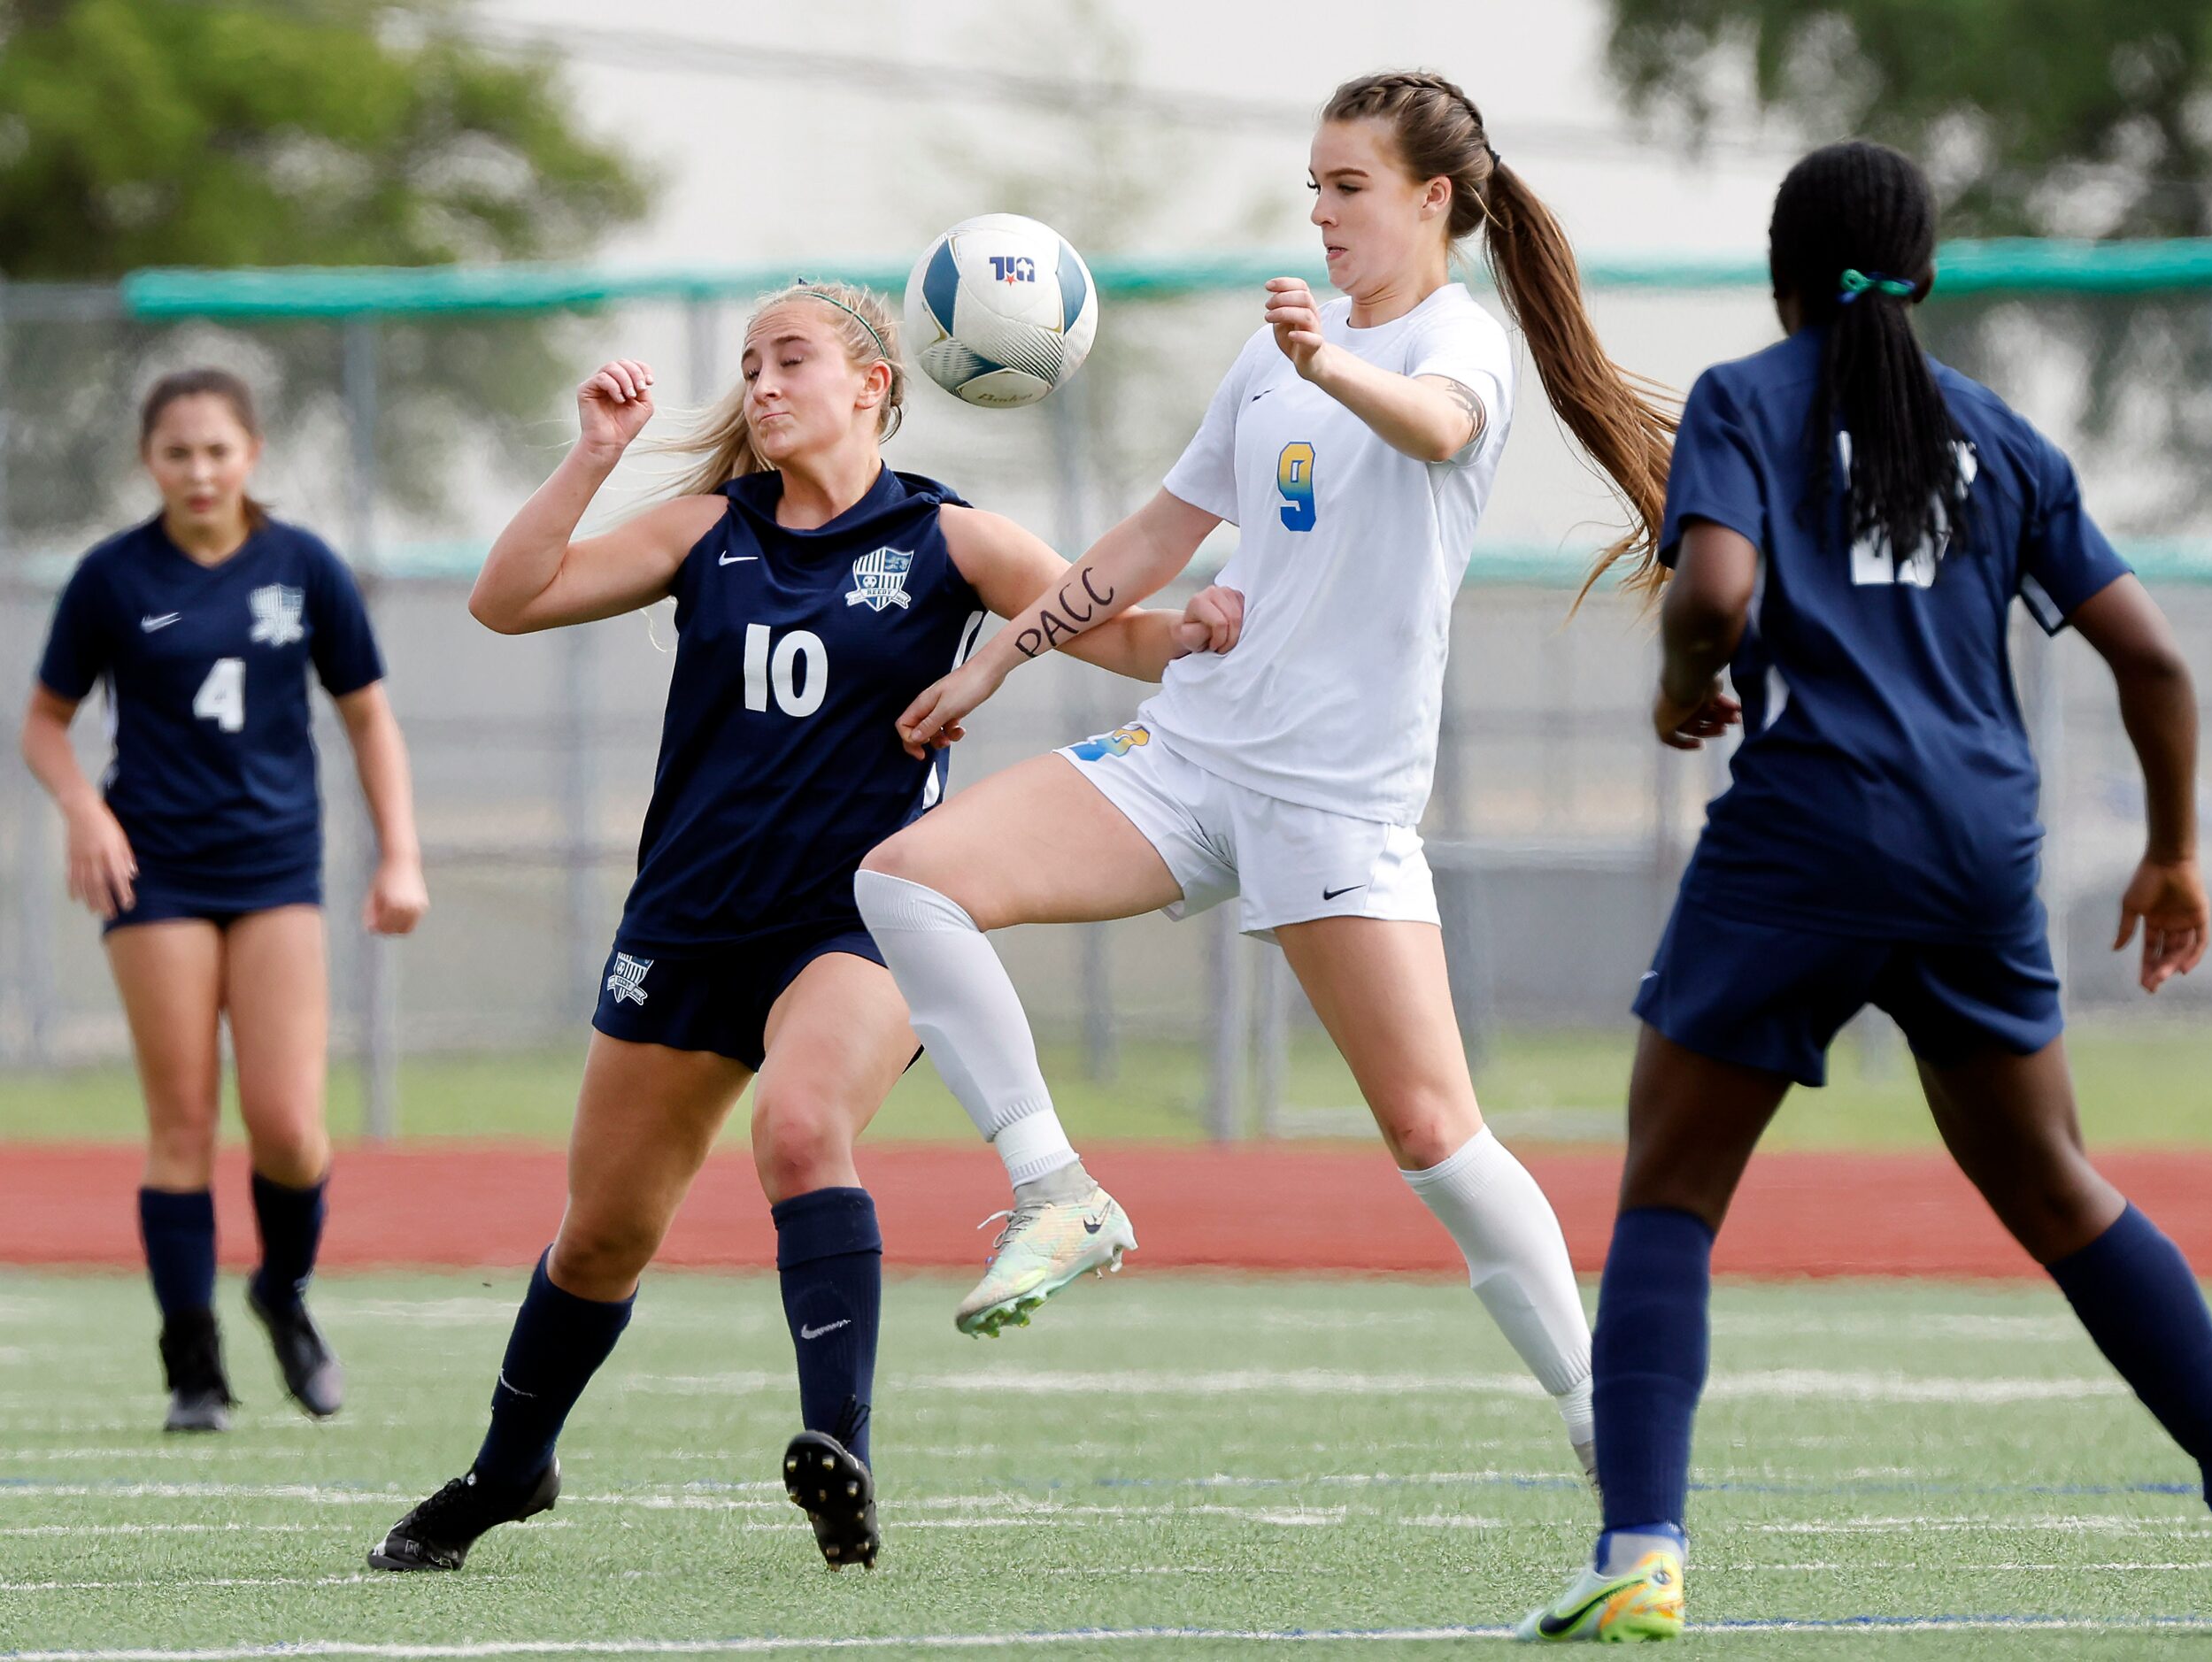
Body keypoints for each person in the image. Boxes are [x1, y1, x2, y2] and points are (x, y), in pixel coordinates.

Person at [1515, 141, 2212, 1644]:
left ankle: (1639, 1548)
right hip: (1977, 845)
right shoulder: (2003, 438)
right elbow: (2152, 660)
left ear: (1782, 278)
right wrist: (2172, 850)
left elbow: (1711, 593)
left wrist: (1680, 682)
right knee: (2056, 1188)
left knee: (1670, 1189)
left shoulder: (1743, 399)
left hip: (1804, 834)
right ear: (1925, 275)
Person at [853, 70, 1676, 1488]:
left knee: (1430, 1130)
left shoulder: (1451, 341)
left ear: (1432, 199)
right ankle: (1056, 1191)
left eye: (1346, 186)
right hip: (1189, 754)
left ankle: (1605, 1414)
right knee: (905, 878)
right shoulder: (1272, 356)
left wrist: (1328, 366)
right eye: (1312, 185)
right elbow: (1155, 538)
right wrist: (998, 661)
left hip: (1332, 804)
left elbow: (1434, 425)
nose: (1320, 211)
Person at [365, 282, 1237, 1576]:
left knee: (799, 1127)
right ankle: (509, 1468)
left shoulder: (954, 538)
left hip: (858, 919)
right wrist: (592, 457)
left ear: (872, 381)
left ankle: (841, 1456)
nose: (761, 385)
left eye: (790, 360)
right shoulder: (708, 527)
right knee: (602, 1232)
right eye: (749, 365)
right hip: (688, 920)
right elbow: (509, 595)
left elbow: (1120, 631)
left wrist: (1206, 625)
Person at [20, 367, 427, 1434]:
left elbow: (368, 718)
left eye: (217, 450)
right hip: (153, 872)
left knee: (290, 1129)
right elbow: (44, 722)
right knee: (184, 1123)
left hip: (274, 867)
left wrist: (400, 855)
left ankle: (281, 1290)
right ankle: (191, 1366)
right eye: (176, 453)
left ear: (251, 455)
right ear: (148, 464)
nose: (199, 471)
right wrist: (83, 811)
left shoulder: (304, 567)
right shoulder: (113, 576)